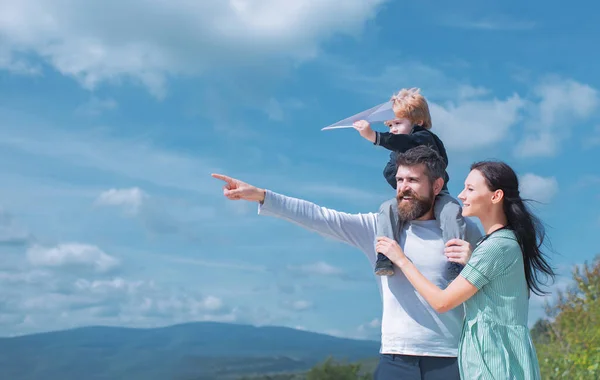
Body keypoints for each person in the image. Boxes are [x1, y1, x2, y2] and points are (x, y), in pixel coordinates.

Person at [211, 146, 482, 380]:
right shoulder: (379, 228)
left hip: (451, 358)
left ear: (436, 186)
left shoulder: (465, 231)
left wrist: (472, 262)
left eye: (413, 180)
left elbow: (490, 288)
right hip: (395, 359)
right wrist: (262, 195)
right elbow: (320, 217)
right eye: (400, 180)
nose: (403, 188)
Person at [376, 160, 555, 379]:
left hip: (495, 364)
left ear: (496, 196)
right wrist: (473, 261)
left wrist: (402, 260)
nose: (461, 195)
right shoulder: (495, 244)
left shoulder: (496, 247)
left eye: (470, 189)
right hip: (490, 361)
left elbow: (442, 302)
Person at [352, 88, 466, 277]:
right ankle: (384, 256)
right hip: (411, 198)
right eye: (389, 126)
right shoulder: (396, 154)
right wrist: (404, 183)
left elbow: (405, 142)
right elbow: (389, 172)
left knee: (451, 211)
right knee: (387, 208)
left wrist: (376, 137)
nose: (393, 129)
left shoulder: (423, 138)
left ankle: (455, 260)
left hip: (437, 195)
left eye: (397, 123)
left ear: (417, 122)